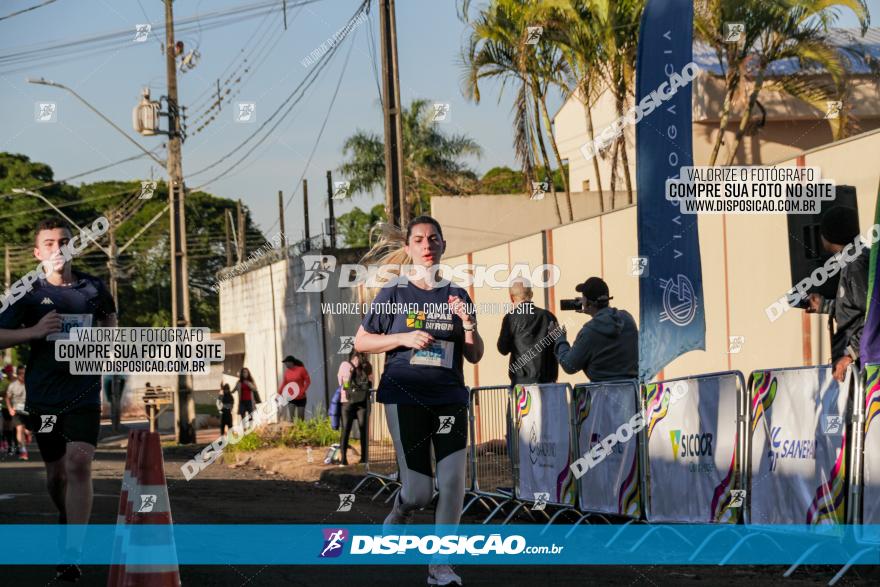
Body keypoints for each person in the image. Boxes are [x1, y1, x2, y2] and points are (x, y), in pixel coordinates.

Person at [355, 215, 484, 587]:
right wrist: (402, 339)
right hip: (405, 395)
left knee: (454, 481)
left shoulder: (457, 295)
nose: (427, 245)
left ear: (443, 245)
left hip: (448, 396)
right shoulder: (394, 292)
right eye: (419, 239)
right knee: (419, 492)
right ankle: (400, 512)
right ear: (409, 248)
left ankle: (440, 565)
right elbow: (362, 342)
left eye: (433, 239)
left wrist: (470, 327)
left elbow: (475, 356)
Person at [0, 217, 117, 582]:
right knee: (56, 474)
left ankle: (71, 551)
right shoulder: (27, 292)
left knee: (79, 463)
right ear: (38, 252)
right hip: (43, 398)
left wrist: (106, 342)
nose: (57, 248)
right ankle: (67, 514)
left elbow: (110, 319)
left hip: (83, 392)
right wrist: (34, 331)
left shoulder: (93, 287)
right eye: (49, 243)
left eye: (64, 241)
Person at [805, 206, 869, 382]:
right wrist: (825, 305)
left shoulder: (856, 266)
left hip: (863, 363)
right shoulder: (853, 261)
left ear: (830, 236)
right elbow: (856, 308)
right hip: (858, 362)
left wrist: (850, 354)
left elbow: (872, 316)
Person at [554, 276, 638, 381]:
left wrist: (560, 339)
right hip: (630, 392)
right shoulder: (628, 318)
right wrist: (593, 311)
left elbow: (569, 366)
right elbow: (606, 319)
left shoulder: (589, 332)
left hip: (601, 393)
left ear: (588, 303)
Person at [497, 278, 559, 385]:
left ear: (511, 297)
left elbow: (503, 349)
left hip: (521, 385)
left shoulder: (510, 318)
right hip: (548, 383)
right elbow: (558, 347)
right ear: (531, 294)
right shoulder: (549, 317)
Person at [339, 351, 373, 465]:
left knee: (346, 430)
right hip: (362, 401)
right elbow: (370, 383)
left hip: (347, 402)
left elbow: (343, 382)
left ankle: (343, 460)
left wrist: (349, 391)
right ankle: (364, 459)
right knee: (363, 430)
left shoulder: (345, 365)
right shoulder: (367, 366)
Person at [6, 366, 29, 460]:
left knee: (27, 430)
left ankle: (27, 435)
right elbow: (7, 397)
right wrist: (10, 409)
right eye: (20, 373)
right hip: (16, 410)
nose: (22, 375)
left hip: (28, 411)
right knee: (19, 430)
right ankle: (23, 450)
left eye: (24, 373)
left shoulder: (30, 384)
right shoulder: (13, 385)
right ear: (18, 374)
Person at [279, 355, 310, 421]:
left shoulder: (301, 370)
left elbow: (308, 381)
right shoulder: (287, 372)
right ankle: (292, 430)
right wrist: (279, 393)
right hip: (291, 398)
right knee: (291, 418)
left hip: (301, 398)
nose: (285, 364)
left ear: (291, 362)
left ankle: (301, 430)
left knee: (300, 418)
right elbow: (284, 383)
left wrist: (302, 391)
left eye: (286, 362)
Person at [0, 364, 13, 454]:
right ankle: (8, 445)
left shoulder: (16, 380)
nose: (9, 373)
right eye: (8, 371)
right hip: (5, 407)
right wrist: (7, 393)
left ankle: (14, 445)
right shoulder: (3, 381)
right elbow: (1, 393)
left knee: (14, 427)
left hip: (15, 407)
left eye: (10, 371)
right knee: (6, 427)